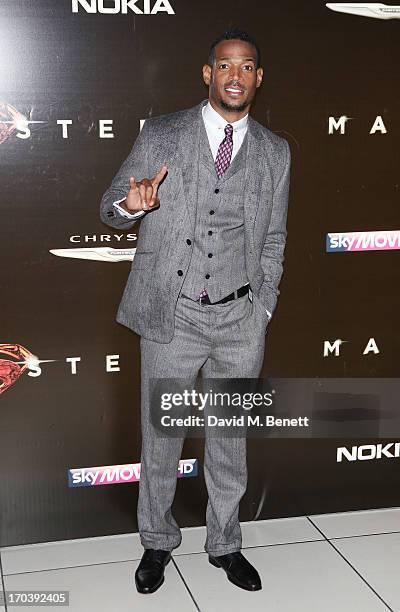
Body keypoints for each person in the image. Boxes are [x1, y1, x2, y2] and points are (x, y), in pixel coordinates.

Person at [100, 27, 291, 595]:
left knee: (231, 437)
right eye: (224, 65)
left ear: (259, 77)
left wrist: (263, 309)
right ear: (207, 74)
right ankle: (157, 542)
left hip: (239, 321)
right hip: (172, 315)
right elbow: (113, 206)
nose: (236, 75)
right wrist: (128, 205)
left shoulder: (275, 151)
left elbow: (274, 238)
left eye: (247, 66)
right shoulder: (161, 134)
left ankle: (225, 544)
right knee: (162, 435)